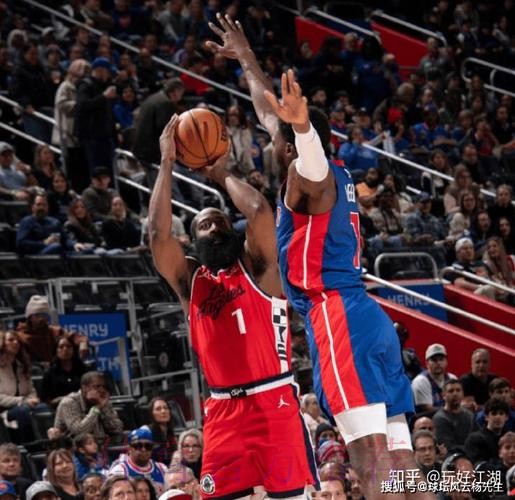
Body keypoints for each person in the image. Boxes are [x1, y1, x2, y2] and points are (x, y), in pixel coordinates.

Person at [206, 16, 424, 500]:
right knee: (402, 462)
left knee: (370, 461)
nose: (268, 139)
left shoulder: (310, 180)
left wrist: (302, 128)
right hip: (368, 318)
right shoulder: (334, 172)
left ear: (292, 146)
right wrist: (245, 57)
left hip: (338, 317)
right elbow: (269, 113)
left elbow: (310, 162)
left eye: (278, 138)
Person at [149, 116, 318, 498]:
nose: (213, 228)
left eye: (220, 222)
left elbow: (258, 210)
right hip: (223, 411)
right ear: (194, 242)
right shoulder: (192, 283)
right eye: (204, 226)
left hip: (273, 400)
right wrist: (166, 163)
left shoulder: (260, 268)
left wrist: (220, 173)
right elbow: (158, 236)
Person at [0, 330, 48, 443]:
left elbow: (31, 390)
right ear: (2, 344)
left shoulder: (22, 366)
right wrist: (22, 400)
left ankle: (46, 444)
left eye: (17, 340)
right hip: (4, 411)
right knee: (23, 411)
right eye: (11, 340)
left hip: (24, 405)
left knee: (43, 407)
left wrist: (32, 399)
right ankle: (28, 445)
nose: (16, 342)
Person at [52, 371, 123, 444]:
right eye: (97, 386)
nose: (101, 390)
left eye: (103, 386)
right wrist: (96, 408)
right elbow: (79, 432)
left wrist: (104, 409)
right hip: (75, 447)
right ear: (84, 388)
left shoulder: (102, 401)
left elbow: (117, 429)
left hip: (102, 446)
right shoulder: (69, 403)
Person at [52, 58, 91, 193]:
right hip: (66, 133)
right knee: (72, 168)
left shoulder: (82, 88)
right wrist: (80, 105)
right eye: (79, 75)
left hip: (80, 134)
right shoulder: (65, 87)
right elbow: (61, 104)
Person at [16, 294, 89, 363]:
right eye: (37, 315)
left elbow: (74, 336)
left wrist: (83, 343)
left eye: (44, 315)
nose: (41, 318)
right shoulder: (19, 336)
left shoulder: (55, 331)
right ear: (30, 317)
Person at [75, 57, 118, 174]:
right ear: (100, 70)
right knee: (96, 169)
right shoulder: (85, 85)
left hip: (106, 136)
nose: (109, 75)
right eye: (107, 71)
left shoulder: (105, 85)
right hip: (92, 136)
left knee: (109, 169)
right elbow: (82, 106)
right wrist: (104, 97)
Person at [132, 78, 185, 167]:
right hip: (151, 152)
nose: (181, 96)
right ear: (175, 91)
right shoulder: (165, 103)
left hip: (139, 147)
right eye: (181, 93)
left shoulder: (153, 97)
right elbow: (165, 129)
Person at [16, 192, 86, 256]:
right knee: (56, 246)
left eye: (44, 205)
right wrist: (44, 243)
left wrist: (74, 244)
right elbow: (21, 243)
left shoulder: (55, 222)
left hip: (61, 253)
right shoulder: (26, 221)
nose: (41, 208)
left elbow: (65, 239)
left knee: (87, 250)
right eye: (39, 204)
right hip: (38, 256)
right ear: (32, 206)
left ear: (48, 207)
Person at [108, 427, 167, 496]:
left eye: (148, 446)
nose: (144, 449)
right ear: (129, 449)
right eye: (139, 446)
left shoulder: (162, 469)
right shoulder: (119, 471)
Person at [40, 335, 89, 408]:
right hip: (59, 408)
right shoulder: (50, 373)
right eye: (61, 347)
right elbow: (46, 400)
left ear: (73, 350)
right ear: (56, 350)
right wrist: (64, 399)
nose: (65, 349)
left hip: (82, 405)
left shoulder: (82, 369)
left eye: (68, 346)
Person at [411, 343, 457, 413]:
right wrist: (453, 409)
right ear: (427, 363)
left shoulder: (452, 378)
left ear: (446, 362)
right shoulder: (421, 381)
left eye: (441, 359)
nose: (438, 363)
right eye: (434, 360)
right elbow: (427, 409)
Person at [432, 380, 474, 452]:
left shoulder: (470, 415)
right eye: (451, 391)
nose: (455, 394)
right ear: (443, 395)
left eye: (458, 390)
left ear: (463, 394)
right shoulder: (439, 419)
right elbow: (448, 446)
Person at [464, 398, 510, 464]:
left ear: (506, 417)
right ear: (486, 417)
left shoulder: (510, 438)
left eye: (501, 413)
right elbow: (476, 464)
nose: (498, 417)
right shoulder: (474, 439)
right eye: (494, 413)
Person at [146, 398, 177, 465]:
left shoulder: (171, 434)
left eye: (166, 408)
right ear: (151, 414)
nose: (163, 411)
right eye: (158, 409)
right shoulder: (146, 432)